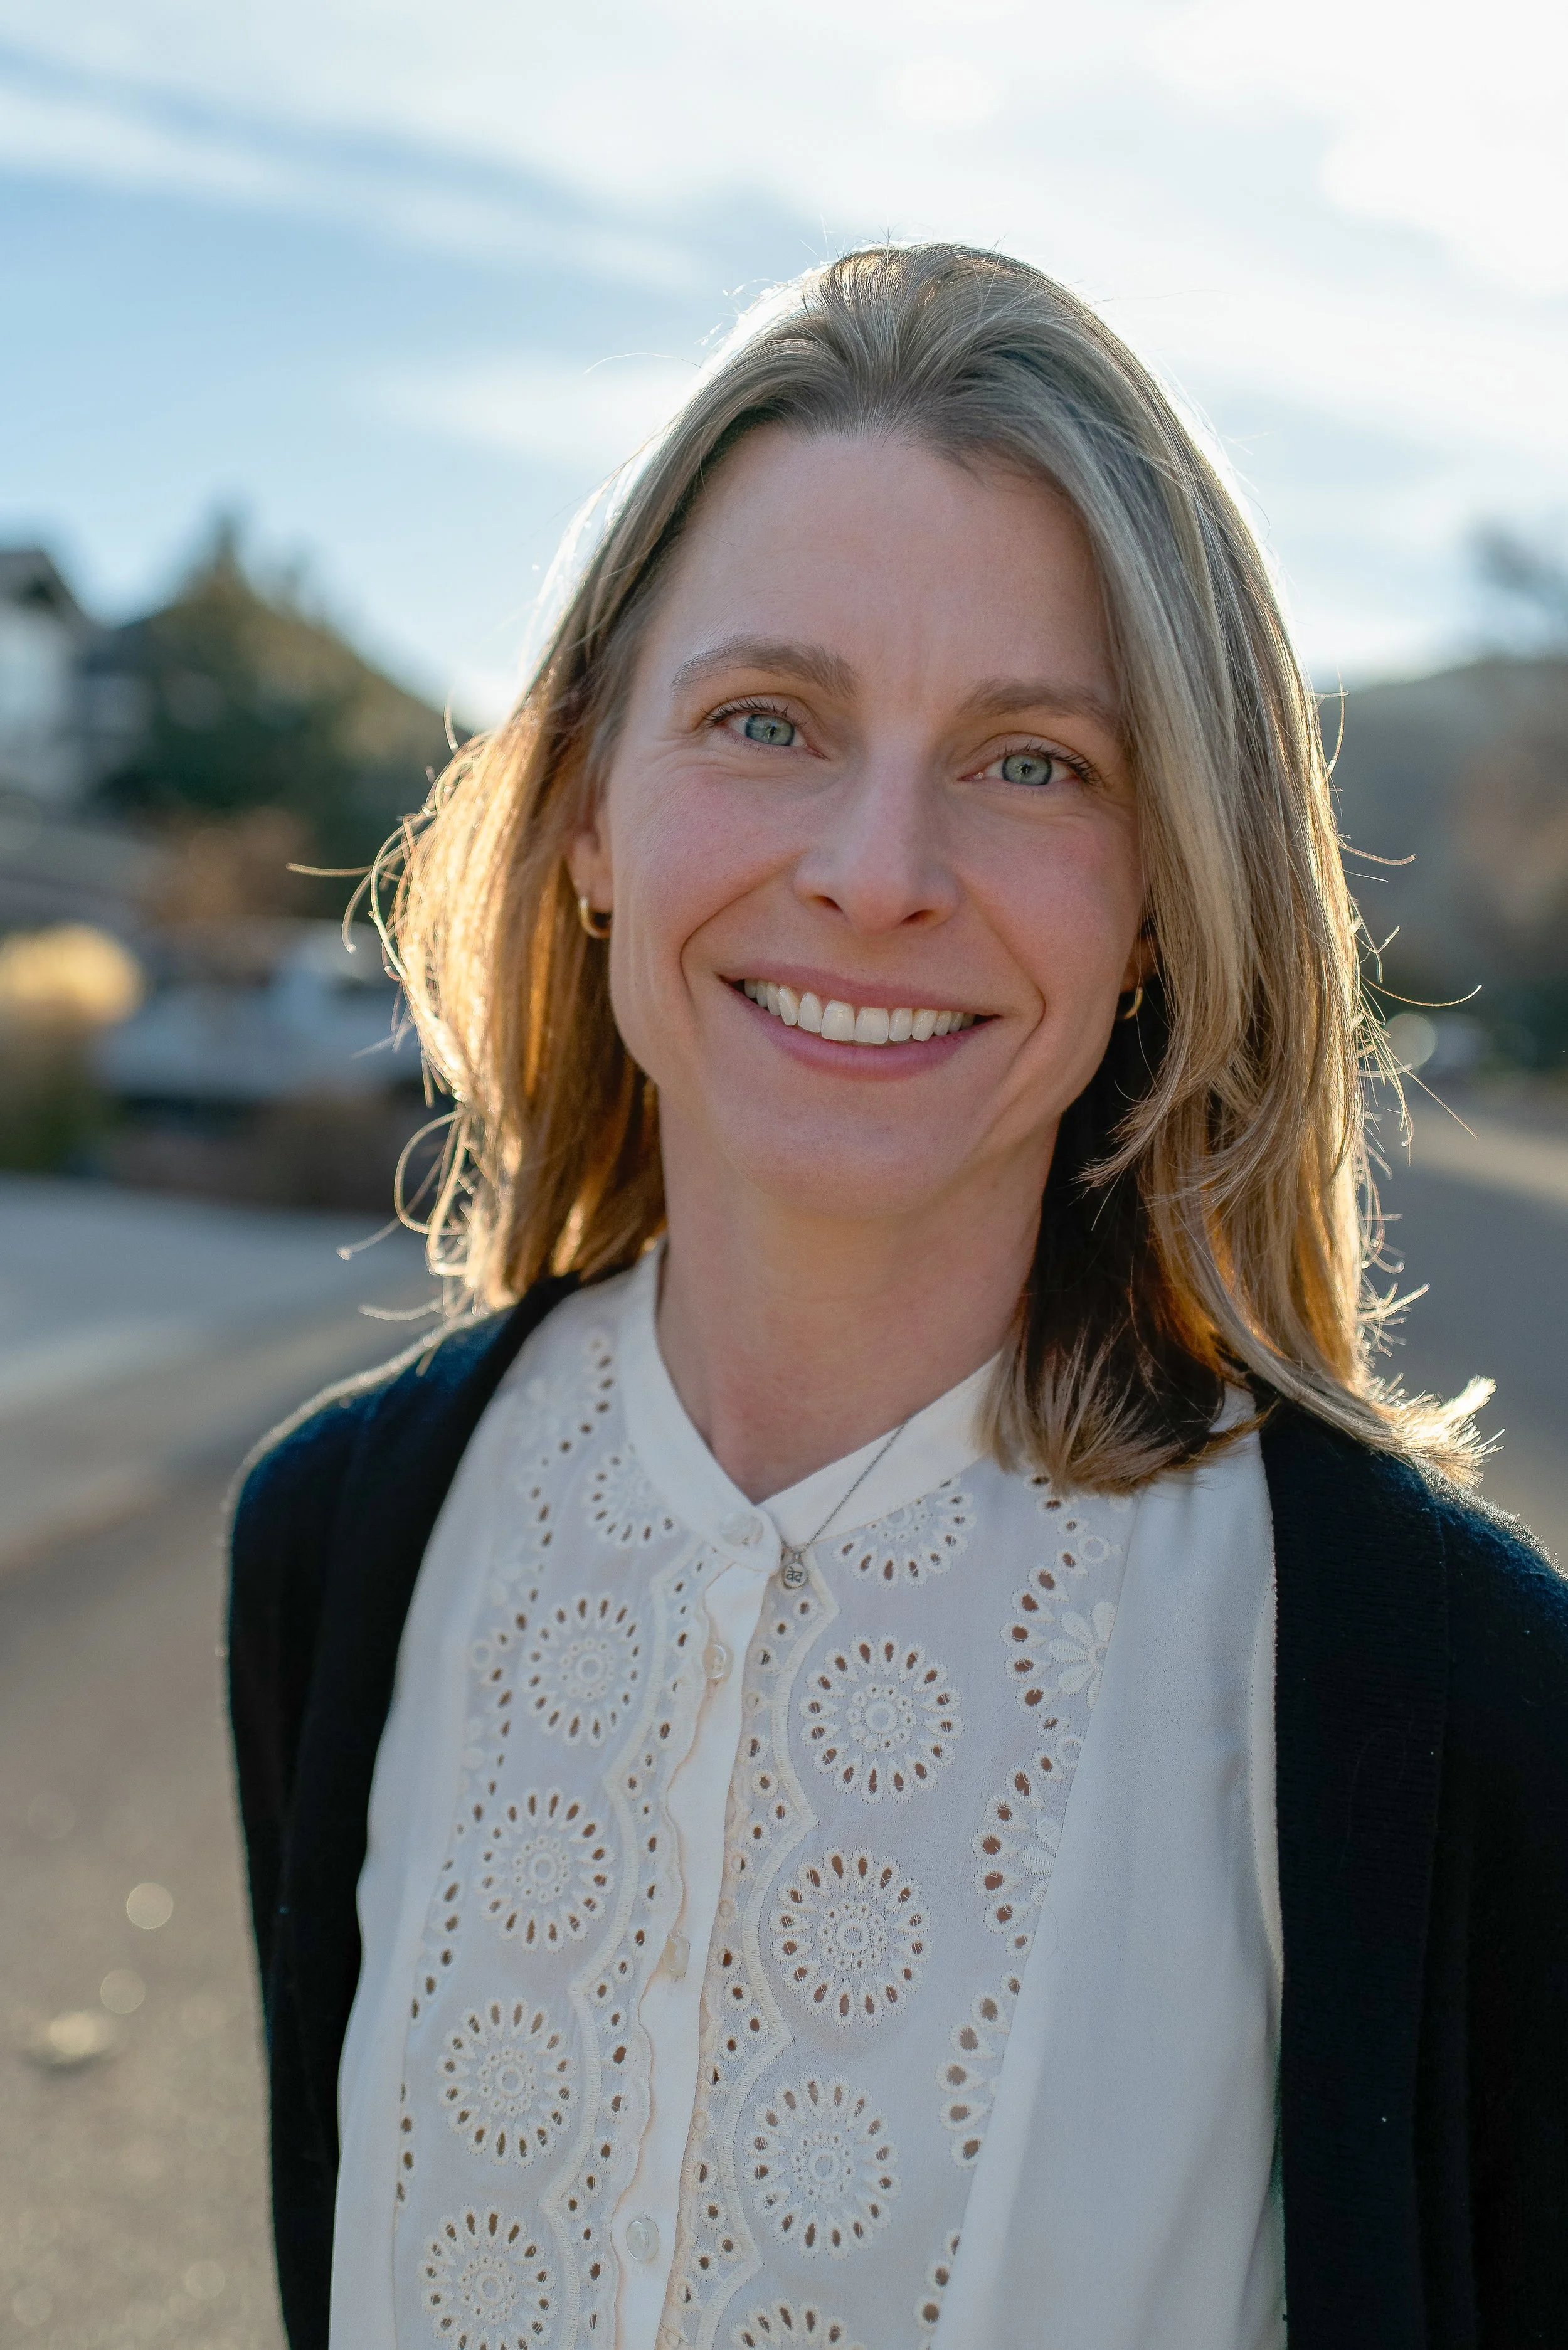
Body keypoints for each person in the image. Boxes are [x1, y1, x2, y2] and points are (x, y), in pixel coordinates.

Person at [228, 245, 1568, 2350]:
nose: (877, 868)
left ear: (1162, 895)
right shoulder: (337, 1546)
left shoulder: (1452, 1693)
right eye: (766, 719)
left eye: (1035, 761)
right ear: (589, 810)